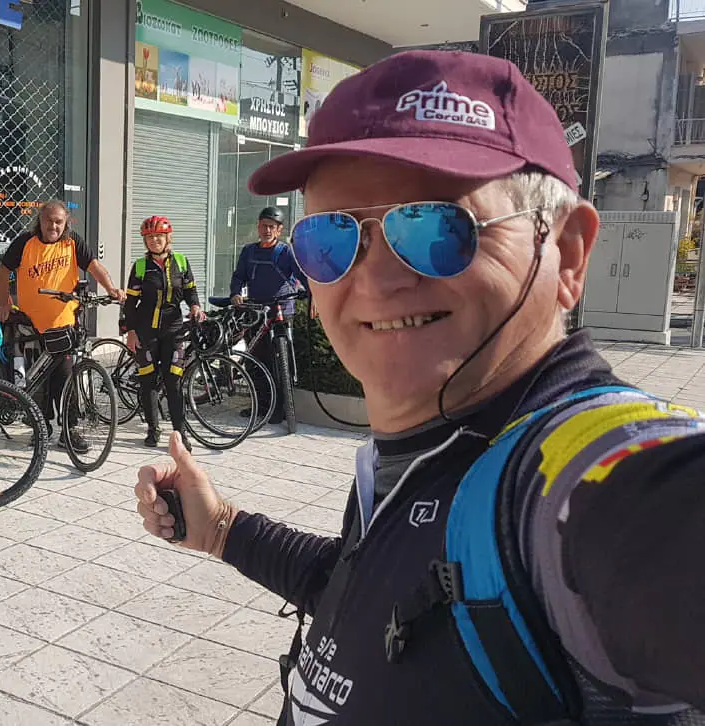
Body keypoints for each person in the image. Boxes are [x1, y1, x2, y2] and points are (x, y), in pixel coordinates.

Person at [135, 49, 705, 724]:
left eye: (438, 226)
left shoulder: (574, 478)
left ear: (569, 253)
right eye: (331, 239)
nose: (376, 280)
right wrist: (225, 530)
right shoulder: (417, 452)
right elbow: (367, 588)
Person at [0, 201, 124, 451]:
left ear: (65, 223)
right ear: (40, 220)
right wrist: (3, 302)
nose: (53, 226)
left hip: (63, 325)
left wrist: (111, 289)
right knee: (36, 380)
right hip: (31, 325)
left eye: (58, 222)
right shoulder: (25, 242)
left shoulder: (72, 242)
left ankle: (69, 431)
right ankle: (40, 427)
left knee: (65, 379)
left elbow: (94, 266)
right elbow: (2, 271)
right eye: (48, 220)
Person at [121, 215, 205, 449]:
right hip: (146, 330)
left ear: (168, 238)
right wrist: (130, 332)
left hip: (173, 330)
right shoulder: (140, 266)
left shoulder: (181, 262)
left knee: (174, 381)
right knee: (148, 381)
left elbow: (190, 291)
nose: (154, 240)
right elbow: (130, 303)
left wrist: (195, 306)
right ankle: (153, 428)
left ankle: (180, 433)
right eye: (149, 237)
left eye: (159, 236)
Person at [229, 206, 308, 425]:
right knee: (256, 360)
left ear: (279, 230)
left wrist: (314, 297)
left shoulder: (286, 252)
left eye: (272, 227)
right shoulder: (249, 252)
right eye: (264, 226)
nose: (267, 230)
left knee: (281, 363)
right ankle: (262, 406)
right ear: (258, 226)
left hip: (282, 312)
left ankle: (281, 409)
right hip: (257, 312)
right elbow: (239, 276)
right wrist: (235, 293)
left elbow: (303, 276)